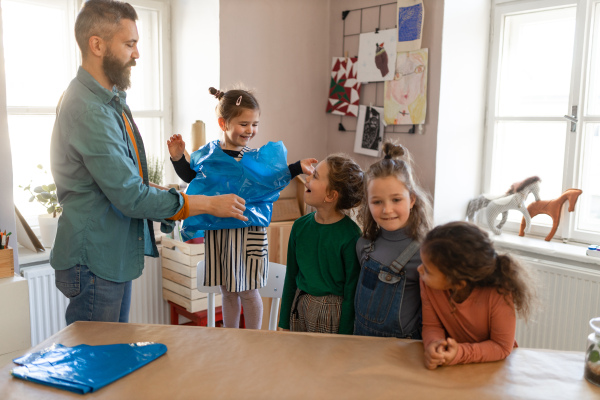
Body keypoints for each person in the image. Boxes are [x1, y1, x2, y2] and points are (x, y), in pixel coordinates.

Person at [50, 0, 246, 326]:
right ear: (96, 45)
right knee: (99, 361)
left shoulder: (107, 101)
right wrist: (209, 204)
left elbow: (116, 181)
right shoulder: (90, 111)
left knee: (112, 355)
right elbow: (130, 197)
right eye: (129, 44)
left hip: (108, 254)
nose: (137, 54)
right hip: (96, 257)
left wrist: (158, 189)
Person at [167, 86, 317, 330]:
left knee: (248, 290)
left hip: (249, 233)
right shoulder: (208, 155)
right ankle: (230, 337)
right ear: (223, 123)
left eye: (255, 124)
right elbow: (191, 178)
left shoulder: (256, 158)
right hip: (220, 233)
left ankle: (254, 341)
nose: (250, 130)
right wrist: (177, 157)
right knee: (227, 291)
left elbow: (274, 178)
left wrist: (298, 166)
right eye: (244, 124)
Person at [419, 221, 535, 369]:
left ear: (459, 283)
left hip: (493, 366)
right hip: (453, 365)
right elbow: (431, 325)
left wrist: (459, 353)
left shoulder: (499, 292)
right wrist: (435, 346)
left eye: (427, 270)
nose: (419, 269)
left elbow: (502, 347)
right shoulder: (428, 282)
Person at [353, 141, 433, 339]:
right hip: (361, 345)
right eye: (377, 202)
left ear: (412, 199)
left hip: (403, 352)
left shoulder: (426, 252)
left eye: (396, 200)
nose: (387, 210)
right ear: (368, 204)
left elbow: (434, 314)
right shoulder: (363, 245)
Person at [278, 154, 364, 334]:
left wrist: (345, 335)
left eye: (315, 176)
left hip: (332, 315)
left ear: (331, 195)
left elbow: (352, 291)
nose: (307, 178)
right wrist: (284, 323)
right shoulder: (299, 227)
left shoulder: (351, 235)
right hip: (299, 307)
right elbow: (291, 277)